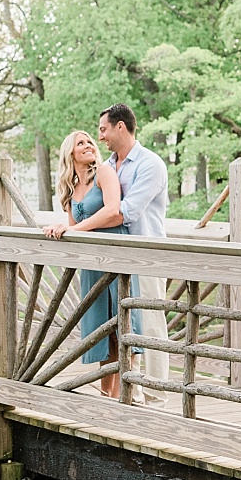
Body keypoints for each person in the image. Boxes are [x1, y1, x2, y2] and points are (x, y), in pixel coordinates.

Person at [42, 130, 127, 397]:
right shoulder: (69, 189)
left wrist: (75, 231)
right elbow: (72, 228)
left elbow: (113, 210)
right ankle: (106, 394)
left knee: (119, 326)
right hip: (91, 263)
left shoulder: (104, 172)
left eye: (90, 141)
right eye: (81, 143)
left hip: (114, 255)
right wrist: (63, 229)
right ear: (70, 153)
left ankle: (120, 396)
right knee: (100, 327)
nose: (89, 145)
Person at [96, 103, 171, 387]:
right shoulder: (105, 167)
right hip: (114, 258)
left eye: (103, 129)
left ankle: (156, 395)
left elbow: (127, 211)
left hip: (145, 256)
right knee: (123, 326)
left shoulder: (150, 164)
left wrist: (78, 227)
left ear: (120, 126)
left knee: (150, 325)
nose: (100, 136)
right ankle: (133, 392)